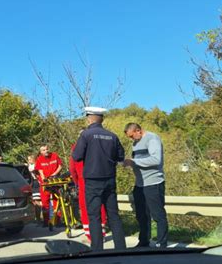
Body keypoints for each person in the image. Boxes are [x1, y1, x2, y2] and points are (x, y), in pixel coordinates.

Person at [72, 107, 126, 251]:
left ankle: (97, 249)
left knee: (94, 215)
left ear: (89, 118)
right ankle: (121, 248)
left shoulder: (86, 135)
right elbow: (120, 157)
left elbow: (76, 156)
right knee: (113, 214)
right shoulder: (112, 136)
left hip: (93, 180)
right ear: (101, 119)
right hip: (109, 179)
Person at [123, 123, 168, 248]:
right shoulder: (135, 144)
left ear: (138, 131)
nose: (132, 139)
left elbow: (156, 159)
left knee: (158, 214)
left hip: (153, 182)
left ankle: (161, 243)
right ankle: (144, 241)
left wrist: (134, 162)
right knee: (141, 215)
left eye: (132, 136)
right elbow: (139, 161)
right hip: (140, 184)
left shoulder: (152, 138)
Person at [69, 129, 108, 241]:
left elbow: (72, 168)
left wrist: (76, 182)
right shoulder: (97, 146)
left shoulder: (76, 147)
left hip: (83, 180)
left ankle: (90, 236)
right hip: (98, 178)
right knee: (99, 204)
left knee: (85, 207)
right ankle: (102, 234)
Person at [34, 145, 62, 228]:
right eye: (44, 150)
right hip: (45, 183)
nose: (46, 151)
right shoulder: (39, 159)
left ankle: (57, 221)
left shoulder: (55, 155)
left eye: (47, 149)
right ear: (41, 152)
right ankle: (46, 221)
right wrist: (45, 180)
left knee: (57, 201)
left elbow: (60, 166)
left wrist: (54, 174)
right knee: (45, 202)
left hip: (56, 181)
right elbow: (40, 171)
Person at [27, 155, 43, 225]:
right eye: (28, 159)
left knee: (38, 202)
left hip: (37, 183)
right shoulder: (31, 166)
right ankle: (38, 218)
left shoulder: (34, 166)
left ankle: (39, 219)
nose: (29, 161)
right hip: (34, 184)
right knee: (36, 202)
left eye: (30, 159)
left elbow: (32, 170)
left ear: (33, 159)